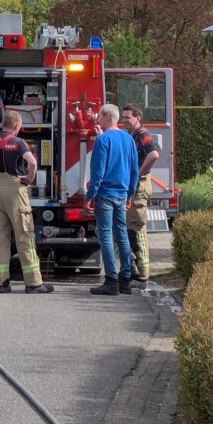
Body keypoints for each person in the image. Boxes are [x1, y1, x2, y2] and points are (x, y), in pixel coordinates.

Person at [0, 110, 54, 294]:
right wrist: (29, 178)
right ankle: (33, 283)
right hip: (15, 190)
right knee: (24, 236)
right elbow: (32, 162)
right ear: (17, 125)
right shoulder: (18, 142)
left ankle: (1, 283)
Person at [83, 104, 139, 295]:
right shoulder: (128, 138)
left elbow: (97, 173)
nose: (97, 118)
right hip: (122, 194)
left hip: (105, 194)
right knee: (121, 234)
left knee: (105, 235)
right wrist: (129, 194)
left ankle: (111, 280)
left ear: (107, 116)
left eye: (99, 115)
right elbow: (134, 170)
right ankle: (126, 279)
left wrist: (89, 197)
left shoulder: (102, 140)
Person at [120, 103, 160, 287]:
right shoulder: (132, 135)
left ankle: (143, 276)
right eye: (123, 117)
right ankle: (137, 272)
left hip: (140, 185)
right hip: (136, 186)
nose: (124, 120)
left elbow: (154, 154)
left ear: (138, 117)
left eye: (128, 117)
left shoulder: (142, 133)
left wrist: (138, 174)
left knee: (137, 229)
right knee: (131, 228)